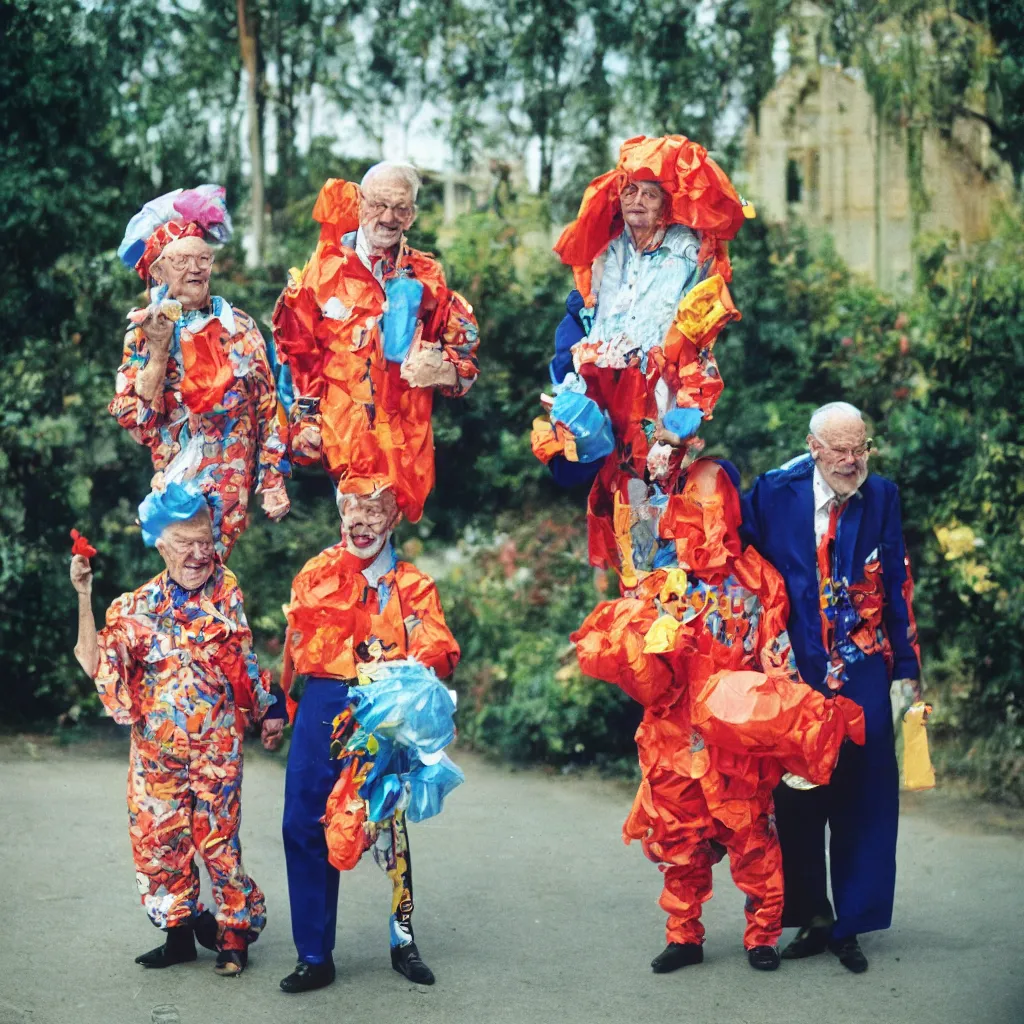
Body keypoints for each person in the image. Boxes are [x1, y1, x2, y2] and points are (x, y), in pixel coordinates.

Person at [573, 458, 865, 973]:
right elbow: (615, 506)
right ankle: (684, 936)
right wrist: (644, 646)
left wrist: (788, 726)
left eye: (715, 509)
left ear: (731, 513)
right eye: (697, 509)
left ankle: (763, 936)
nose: (706, 523)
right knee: (678, 838)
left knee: (753, 837)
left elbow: (778, 658)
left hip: (737, 734)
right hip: (672, 732)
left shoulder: (758, 581)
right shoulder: (657, 578)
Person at [69, 484, 281, 976]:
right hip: (156, 754)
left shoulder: (226, 590)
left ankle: (233, 936)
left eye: (205, 540)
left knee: (218, 840)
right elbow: (92, 660)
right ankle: (179, 936)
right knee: (158, 842)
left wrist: (269, 709)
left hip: (216, 747)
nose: (198, 552)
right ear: (160, 544)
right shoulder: (135, 608)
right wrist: (83, 595)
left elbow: (243, 655)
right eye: (185, 541)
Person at [742, 401, 922, 973]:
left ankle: (852, 925)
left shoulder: (882, 495)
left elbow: (897, 578)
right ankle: (811, 917)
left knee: (864, 793)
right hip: (794, 667)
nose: (852, 460)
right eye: (840, 450)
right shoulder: (774, 491)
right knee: (795, 798)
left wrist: (907, 665)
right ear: (813, 447)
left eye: (861, 447)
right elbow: (737, 560)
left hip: (863, 664)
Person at [531, 134, 752, 589]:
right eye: (629, 190)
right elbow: (579, 314)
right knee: (609, 481)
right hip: (605, 386)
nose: (636, 200)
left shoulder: (691, 251)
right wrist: (568, 376)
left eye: (650, 193)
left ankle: (660, 595)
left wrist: (686, 411)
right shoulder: (606, 251)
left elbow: (700, 339)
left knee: (657, 484)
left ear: (667, 203)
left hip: (658, 389)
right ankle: (638, 593)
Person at [272, 483, 462, 994]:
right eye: (352, 506)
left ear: (394, 517)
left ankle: (403, 941)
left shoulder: (413, 585)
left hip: (384, 708)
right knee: (301, 823)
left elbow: (437, 648)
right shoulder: (316, 572)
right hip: (322, 703)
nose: (361, 519)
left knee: (387, 825)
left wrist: (416, 676)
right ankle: (314, 954)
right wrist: (282, 704)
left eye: (374, 509)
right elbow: (293, 642)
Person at [271, 161, 480, 523]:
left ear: (412, 215)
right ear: (360, 205)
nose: (388, 217)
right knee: (358, 534)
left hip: (404, 449)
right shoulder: (322, 273)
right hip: (343, 444)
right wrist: (303, 428)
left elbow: (464, 365)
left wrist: (441, 370)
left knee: (381, 544)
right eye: (379, 205)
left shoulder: (428, 278)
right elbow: (297, 360)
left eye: (400, 208)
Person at [110, 184, 291, 559]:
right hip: (177, 491)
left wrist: (272, 480)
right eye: (181, 261)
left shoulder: (239, 326)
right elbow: (136, 422)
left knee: (215, 582)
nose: (195, 269)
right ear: (158, 272)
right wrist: (159, 352)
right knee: (187, 576)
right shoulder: (143, 330)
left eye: (203, 259)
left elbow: (269, 409)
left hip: (232, 494)